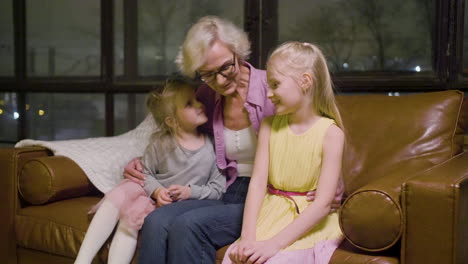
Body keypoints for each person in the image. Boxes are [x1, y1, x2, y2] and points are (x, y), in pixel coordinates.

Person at [123, 16, 344, 264]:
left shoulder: (274, 89)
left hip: (264, 195)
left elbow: (313, 131)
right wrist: (143, 162)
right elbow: (175, 129)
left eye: (226, 67)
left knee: (188, 225)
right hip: (225, 189)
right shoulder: (205, 95)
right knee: (156, 220)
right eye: (207, 74)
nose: (219, 80)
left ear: (239, 53)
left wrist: (335, 187)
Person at [74, 77, 225, 264]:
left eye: (196, 99)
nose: (199, 104)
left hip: (178, 205)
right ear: (172, 121)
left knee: (131, 223)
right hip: (152, 197)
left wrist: (190, 191)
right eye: (189, 104)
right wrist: (157, 190)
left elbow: (218, 189)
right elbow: (145, 173)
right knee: (120, 202)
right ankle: (82, 261)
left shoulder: (212, 147)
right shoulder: (160, 144)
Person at [223, 41, 344, 264]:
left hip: (306, 223)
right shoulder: (269, 126)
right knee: (234, 258)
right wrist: (248, 237)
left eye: (275, 84)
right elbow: (258, 184)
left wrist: (274, 245)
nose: (269, 94)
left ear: (305, 82)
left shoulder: (331, 134)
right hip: (269, 216)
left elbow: (323, 204)